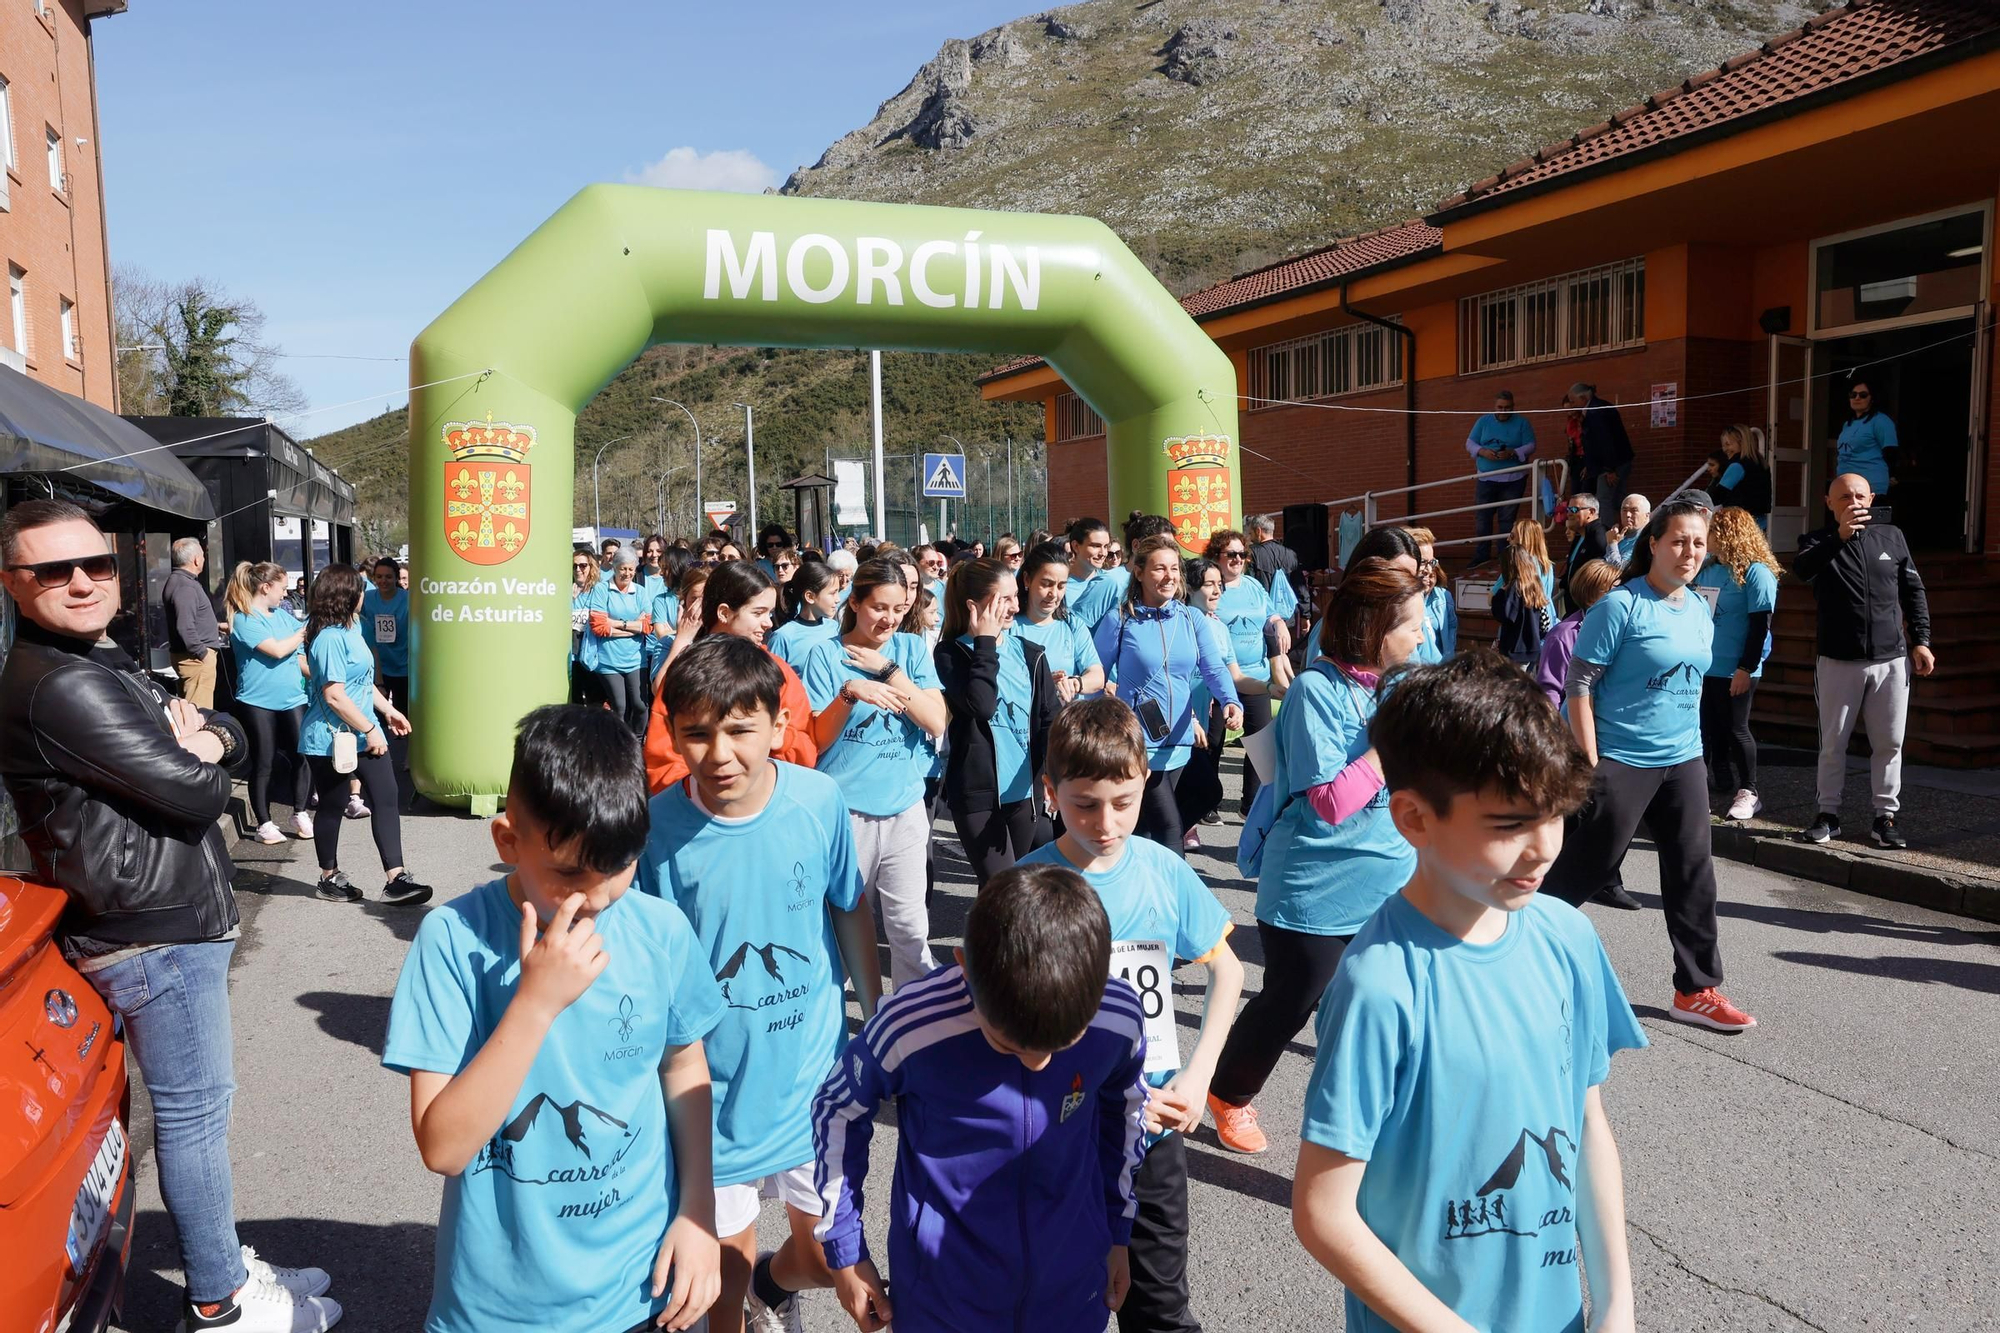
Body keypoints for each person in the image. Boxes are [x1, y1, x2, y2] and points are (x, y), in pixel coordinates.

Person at [0, 499, 340, 1333]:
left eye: (98, 565)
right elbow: (193, 788)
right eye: (53, 570)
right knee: (192, 1119)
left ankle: (222, 1262)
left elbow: (219, 733)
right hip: (149, 931)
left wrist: (207, 740)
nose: (82, 582)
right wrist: (200, 751)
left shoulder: (97, 655)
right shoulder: (64, 681)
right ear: (12, 582)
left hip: (158, 917)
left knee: (203, 1112)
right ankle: (222, 1302)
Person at [1291, 651, 1643, 1333]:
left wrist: (1617, 1302)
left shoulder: (1567, 937)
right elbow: (1323, 1210)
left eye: (1555, 815)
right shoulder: (1380, 983)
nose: (1543, 847)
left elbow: (1587, 1121)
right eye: (1509, 824)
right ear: (1415, 818)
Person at [383, 706, 723, 1333]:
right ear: (507, 841)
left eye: (619, 868)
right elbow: (444, 1147)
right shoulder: (452, 939)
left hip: (638, 1288)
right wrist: (535, 1003)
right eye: (569, 873)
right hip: (497, 1309)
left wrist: (699, 1211)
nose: (595, 897)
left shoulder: (660, 931)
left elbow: (684, 1065)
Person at [638, 636, 881, 1333]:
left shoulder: (819, 799)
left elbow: (847, 904)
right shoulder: (656, 833)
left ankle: (774, 1286)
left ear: (779, 726)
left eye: (741, 730)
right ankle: (743, 1300)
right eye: (697, 733)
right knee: (723, 1278)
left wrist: (878, 1017)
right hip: (713, 1098)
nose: (720, 753)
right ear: (674, 734)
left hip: (813, 1080)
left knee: (828, 1255)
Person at [812, 862, 1148, 1333]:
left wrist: (1116, 1230)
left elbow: (1126, 1114)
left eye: (1062, 1045)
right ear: (964, 967)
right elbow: (837, 1110)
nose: (1038, 1064)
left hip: (1072, 1284)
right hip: (943, 1292)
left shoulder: (1117, 1016)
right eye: (1010, 1044)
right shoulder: (912, 1024)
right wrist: (845, 1248)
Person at [1019, 701, 1245, 1333]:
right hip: (1056, 1134)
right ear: (1050, 792)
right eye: (1085, 804)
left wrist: (1198, 1077)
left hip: (1152, 1131)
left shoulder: (1162, 870)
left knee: (1160, 1307)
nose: (1107, 822)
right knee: (1060, 1297)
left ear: (1145, 778)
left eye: (1123, 801)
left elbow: (1228, 972)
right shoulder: (1026, 885)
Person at [1206, 558, 1425, 1156]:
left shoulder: (1405, 684)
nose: (1423, 635)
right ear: (1375, 625)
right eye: (1410, 623)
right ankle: (1228, 1091)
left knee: (1382, 1014)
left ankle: (1371, 1127)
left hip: (1394, 884)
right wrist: (1388, 743)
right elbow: (1331, 802)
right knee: (1290, 1003)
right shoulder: (1315, 690)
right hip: (1312, 893)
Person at [1547, 499, 1756, 1030]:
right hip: (1621, 758)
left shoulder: (1698, 608)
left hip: (1683, 759)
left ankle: (1696, 989)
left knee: (1693, 875)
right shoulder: (1620, 606)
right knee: (1584, 871)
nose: (1689, 552)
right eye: (1679, 541)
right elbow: (1579, 685)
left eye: (1698, 543)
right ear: (1655, 545)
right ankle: (1508, 954)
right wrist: (1591, 759)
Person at [802, 558, 948, 992]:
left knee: (910, 930)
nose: (889, 618)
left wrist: (888, 673)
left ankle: (911, 1029)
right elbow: (818, 739)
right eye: (878, 607)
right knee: (844, 929)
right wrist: (851, 692)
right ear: (855, 601)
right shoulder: (825, 656)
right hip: (847, 816)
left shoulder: (909, 651)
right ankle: (833, 1035)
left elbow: (936, 721)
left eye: (899, 608)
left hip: (905, 810)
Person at [1793, 473, 1934, 849]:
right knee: (1832, 742)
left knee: (1889, 742)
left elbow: (1912, 589)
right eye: (1843, 497)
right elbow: (1802, 570)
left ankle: (1884, 816)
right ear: (1829, 502)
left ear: (1872, 498)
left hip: (1891, 658)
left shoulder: (1892, 537)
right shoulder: (1816, 541)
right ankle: (1827, 814)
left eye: (1859, 495)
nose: (1853, 502)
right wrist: (1839, 536)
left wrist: (1921, 640)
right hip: (1839, 658)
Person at [1095, 534, 1243, 854]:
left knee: (1194, 800)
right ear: (1139, 572)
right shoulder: (1120, 620)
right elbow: (1096, 676)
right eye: (1159, 568)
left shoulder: (1191, 619)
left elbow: (1213, 668)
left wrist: (1231, 700)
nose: (1169, 576)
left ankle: (1131, 865)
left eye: (1174, 569)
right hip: (1137, 742)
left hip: (1179, 739)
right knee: (1170, 826)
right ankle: (1171, 897)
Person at [300, 563, 431, 907]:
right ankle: (328, 877)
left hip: (362, 732)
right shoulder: (328, 637)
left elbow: (361, 683)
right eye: (360, 588)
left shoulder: (353, 627)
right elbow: (333, 695)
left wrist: (389, 711)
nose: (365, 594)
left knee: (386, 797)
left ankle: (396, 878)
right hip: (330, 739)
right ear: (346, 595)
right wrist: (372, 729)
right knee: (332, 805)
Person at [642, 561, 819, 795]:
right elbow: (662, 766)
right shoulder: (685, 672)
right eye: (758, 613)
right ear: (724, 612)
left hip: (768, 805)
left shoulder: (777, 672)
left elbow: (805, 751)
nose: (768, 623)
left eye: (770, 613)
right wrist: (708, 795)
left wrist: (773, 733)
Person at [935, 556, 1061, 883]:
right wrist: (985, 642)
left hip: (1024, 793)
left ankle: (989, 937)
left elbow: (1050, 720)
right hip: (978, 795)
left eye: (1015, 596)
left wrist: (1052, 777)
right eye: (1003, 599)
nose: (1014, 607)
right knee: (1000, 885)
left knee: (1015, 890)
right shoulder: (950, 653)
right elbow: (982, 705)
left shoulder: (1031, 653)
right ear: (973, 606)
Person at [1694, 508, 1781, 823]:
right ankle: (1695, 793)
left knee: (1735, 729)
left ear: (1730, 534)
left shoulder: (1756, 572)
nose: (1707, 538)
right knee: (1700, 731)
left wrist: (1746, 667)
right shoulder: (1708, 569)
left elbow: (1760, 626)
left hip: (1736, 668)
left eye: (1713, 531)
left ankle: (1749, 792)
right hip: (1704, 667)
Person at [227, 560, 313, 844]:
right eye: (282, 588)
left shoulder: (284, 618)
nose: (285, 594)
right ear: (265, 587)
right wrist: (302, 631)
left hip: (292, 697)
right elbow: (276, 650)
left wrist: (323, 678)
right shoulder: (244, 619)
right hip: (256, 701)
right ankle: (264, 823)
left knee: (303, 755)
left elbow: (298, 657)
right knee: (264, 761)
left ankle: (300, 812)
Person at [1204, 529, 1287, 814]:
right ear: (1217, 557)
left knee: (1260, 741)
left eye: (1242, 554)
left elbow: (1270, 612)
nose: (1238, 559)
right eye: (1231, 554)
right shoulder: (1211, 588)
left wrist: (1278, 622)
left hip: (1254, 674)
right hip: (1218, 677)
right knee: (1213, 742)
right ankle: (1207, 803)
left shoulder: (1252, 585)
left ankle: (1251, 803)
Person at [1013, 541, 1106, 702]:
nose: (1053, 594)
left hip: (1065, 722)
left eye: (1061, 586)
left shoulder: (1072, 624)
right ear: (1027, 580)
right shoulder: (1010, 625)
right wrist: (1043, 683)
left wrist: (1074, 683)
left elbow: (1097, 676)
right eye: (1046, 584)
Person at [1535, 558, 1619, 710]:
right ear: (1589, 595)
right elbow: (1550, 692)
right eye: (1610, 591)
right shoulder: (1563, 635)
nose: (1619, 597)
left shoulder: (1624, 631)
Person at [1465, 389, 1538, 564]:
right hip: (1486, 477)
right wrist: (1482, 451)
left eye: (1508, 408)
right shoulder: (1483, 421)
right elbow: (1470, 443)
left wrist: (1514, 453)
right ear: (1494, 406)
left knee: (1507, 520)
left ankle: (1504, 556)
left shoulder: (1522, 422)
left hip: (1513, 479)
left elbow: (1531, 445)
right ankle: (1482, 555)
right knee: (1483, 518)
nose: (1504, 412)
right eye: (1500, 408)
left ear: (1513, 407)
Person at [585, 551, 653, 734]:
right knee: (620, 707)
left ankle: (637, 741)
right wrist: (633, 627)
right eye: (623, 568)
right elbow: (598, 627)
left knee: (640, 705)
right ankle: (618, 744)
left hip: (636, 660)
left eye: (631, 569)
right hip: (608, 660)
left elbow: (647, 626)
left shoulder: (640, 592)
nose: (627, 573)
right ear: (614, 567)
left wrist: (615, 623)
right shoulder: (601, 590)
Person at [164, 535, 226, 707]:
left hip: (193, 657)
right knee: (199, 713)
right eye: (203, 556)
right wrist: (202, 653)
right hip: (195, 659)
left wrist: (217, 626)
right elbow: (184, 626)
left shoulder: (181, 581)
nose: (204, 560)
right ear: (196, 560)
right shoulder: (185, 586)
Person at [1490, 519, 1556, 667]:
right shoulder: (1548, 566)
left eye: (1512, 536)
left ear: (1524, 539)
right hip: (1542, 631)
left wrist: (1499, 594)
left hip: (1516, 639)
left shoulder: (1517, 568)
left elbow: (1492, 599)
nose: (1508, 539)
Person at [1569, 381, 1634, 510]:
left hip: (1613, 463)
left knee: (1604, 498)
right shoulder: (1595, 410)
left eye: (1573, 401)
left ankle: (1607, 528)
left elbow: (1605, 441)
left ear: (1583, 398)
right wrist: (1590, 464)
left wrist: (1609, 469)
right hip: (1614, 461)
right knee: (1615, 498)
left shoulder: (1596, 412)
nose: (1572, 405)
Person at [768, 560, 843, 670]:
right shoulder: (783, 637)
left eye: (838, 592)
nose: (838, 599)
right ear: (810, 597)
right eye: (832, 593)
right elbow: (772, 680)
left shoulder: (835, 628)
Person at [361, 557, 411, 722]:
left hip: (403, 665)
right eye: (379, 576)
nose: (383, 581)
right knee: (377, 717)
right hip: (377, 666)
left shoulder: (409, 599)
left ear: (396, 578)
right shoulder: (366, 598)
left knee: (402, 714)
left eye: (388, 577)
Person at [1835, 379, 1897, 510]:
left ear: (1872, 398)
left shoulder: (1881, 421)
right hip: (1846, 487)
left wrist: (1893, 475)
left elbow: (1891, 451)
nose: (1857, 398)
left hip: (1871, 488)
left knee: (1869, 528)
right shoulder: (1848, 423)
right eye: (1853, 395)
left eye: (1863, 395)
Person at [1404, 528, 1457, 665]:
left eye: (1432, 562)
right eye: (1423, 562)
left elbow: (1451, 633)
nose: (1428, 570)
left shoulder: (1443, 597)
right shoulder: (1401, 602)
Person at [1064, 516, 1125, 634]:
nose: (1103, 553)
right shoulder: (1060, 585)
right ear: (1076, 546)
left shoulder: (1112, 581)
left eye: (1106, 546)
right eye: (1096, 546)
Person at [1710, 424, 1774, 531]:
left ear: (1741, 443)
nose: (1725, 449)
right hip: (1759, 521)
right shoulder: (1762, 464)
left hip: (1739, 522)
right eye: (1723, 445)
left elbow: (1718, 495)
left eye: (1728, 444)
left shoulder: (1737, 465)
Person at [1561, 492, 1611, 607]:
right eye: (1568, 509)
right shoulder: (1579, 536)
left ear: (1591, 512)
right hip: (1572, 607)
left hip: (1587, 608)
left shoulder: (1600, 536)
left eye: (1574, 509)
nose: (1569, 514)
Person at [570, 552, 603, 707]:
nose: (578, 569)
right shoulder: (565, 590)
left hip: (591, 653)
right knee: (574, 701)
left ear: (591, 568)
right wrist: (570, 599)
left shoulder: (599, 591)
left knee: (594, 701)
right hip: (572, 656)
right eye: (574, 565)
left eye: (583, 565)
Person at [1244, 513, 1298, 600]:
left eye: (1251, 533)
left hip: (1264, 609)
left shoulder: (1251, 553)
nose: (1251, 538)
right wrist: (1305, 612)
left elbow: (1249, 585)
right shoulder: (1291, 554)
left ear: (1258, 531)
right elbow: (1300, 587)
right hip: (1288, 610)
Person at [1602, 492, 1651, 567]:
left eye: (1634, 510)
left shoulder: (1647, 541)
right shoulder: (1621, 538)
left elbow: (1620, 570)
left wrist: (1612, 544)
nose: (1628, 515)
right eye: (1624, 510)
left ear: (1646, 516)